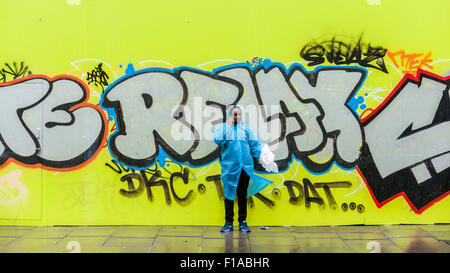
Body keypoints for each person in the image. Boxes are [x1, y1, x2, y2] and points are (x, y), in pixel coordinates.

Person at [213, 104, 273, 232]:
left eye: (239, 114)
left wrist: (264, 157)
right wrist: (228, 125)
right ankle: (228, 222)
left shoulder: (246, 131)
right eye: (234, 114)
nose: (237, 116)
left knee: (242, 195)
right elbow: (218, 140)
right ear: (229, 115)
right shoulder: (224, 129)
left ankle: (243, 222)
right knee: (229, 195)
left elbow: (255, 146)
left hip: (245, 169)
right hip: (229, 169)